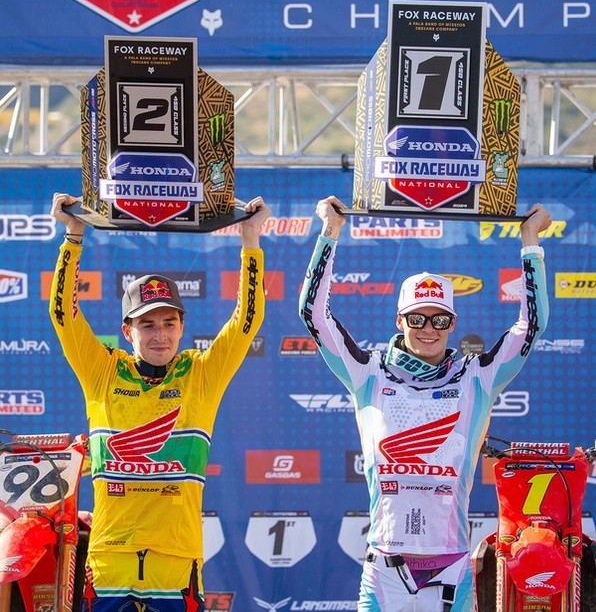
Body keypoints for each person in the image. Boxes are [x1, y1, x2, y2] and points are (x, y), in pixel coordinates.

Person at [298, 195, 551, 612]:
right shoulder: (368, 373)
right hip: (384, 573)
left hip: (452, 569)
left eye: (439, 319)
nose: (428, 329)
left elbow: (531, 326)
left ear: (453, 324)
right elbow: (313, 315)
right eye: (416, 318)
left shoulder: (477, 377)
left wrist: (530, 242)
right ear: (400, 320)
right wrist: (330, 232)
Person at [49, 192, 270, 612]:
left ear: (182, 326)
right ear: (127, 331)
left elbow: (247, 320)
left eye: (169, 322)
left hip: (176, 565)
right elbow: (63, 316)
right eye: (147, 325)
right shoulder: (103, 371)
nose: (160, 335)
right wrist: (73, 237)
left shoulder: (201, 375)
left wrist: (250, 240)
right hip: (110, 562)